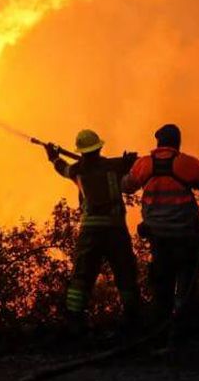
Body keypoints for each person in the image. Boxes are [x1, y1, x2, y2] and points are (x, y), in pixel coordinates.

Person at [122, 123, 199, 345]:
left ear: (158, 142)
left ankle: (159, 333)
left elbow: (125, 186)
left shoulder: (144, 165)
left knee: (162, 286)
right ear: (178, 142)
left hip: (158, 237)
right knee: (185, 285)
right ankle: (181, 333)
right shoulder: (188, 163)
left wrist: (126, 167)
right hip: (185, 236)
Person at [45, 129, 140, 336]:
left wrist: (53, 157)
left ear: (81, 151)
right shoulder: (114, 166)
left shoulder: (78, 170)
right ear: (99, 147)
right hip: (115, 230)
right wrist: (129, 160)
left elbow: (62, 168)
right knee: (125, 274)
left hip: (90, 232)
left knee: (82, 276)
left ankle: (74, 322)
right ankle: (134, 320)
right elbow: (132, 167)